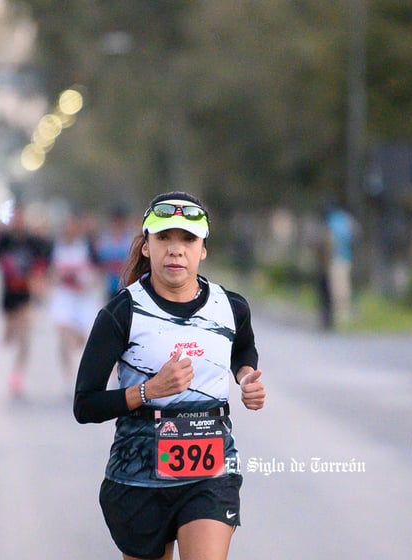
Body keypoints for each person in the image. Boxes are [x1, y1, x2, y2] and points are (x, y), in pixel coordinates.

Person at [74, 191, 266, 560]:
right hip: (139, 473)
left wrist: (244, 377)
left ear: (203, 249)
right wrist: (148, 390)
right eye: (164, 238)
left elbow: (242, 347)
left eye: (188, 239)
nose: (175, 250)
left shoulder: (231, 306)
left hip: (211, 472)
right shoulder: (122, 313)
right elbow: (85, 405)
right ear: (146, 246)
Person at [0, 207, 51, 396]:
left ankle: (17, 374)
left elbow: (44, 259)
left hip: (25, 294)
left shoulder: (32, 241)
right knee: (11, 334)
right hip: (9, 295)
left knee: (25, 336)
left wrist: (39, 282)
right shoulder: (5, 239)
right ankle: (9, 332)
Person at [48, 214, 102, 395]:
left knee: (84, 340)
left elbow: (97, 271)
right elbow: (51, 271)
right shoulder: (55, 247)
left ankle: (88, 378)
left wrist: (86, 284)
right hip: (64, 297)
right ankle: (68, 377)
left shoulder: (87, 247)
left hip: (83, 299)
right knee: (63, 336)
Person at [324, 200, 355, 328]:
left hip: (336, 257)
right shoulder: (346, 219)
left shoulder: (332, 220)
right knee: (344, 284)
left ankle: (340, 313)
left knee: (337, 286)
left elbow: (330, 238)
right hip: (346, 256)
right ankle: (343, 312)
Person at [96, 204, 135, 299]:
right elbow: (99, 261)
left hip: (126, 285)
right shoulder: (104, 240)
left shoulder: (131, 239)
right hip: (108, 284)